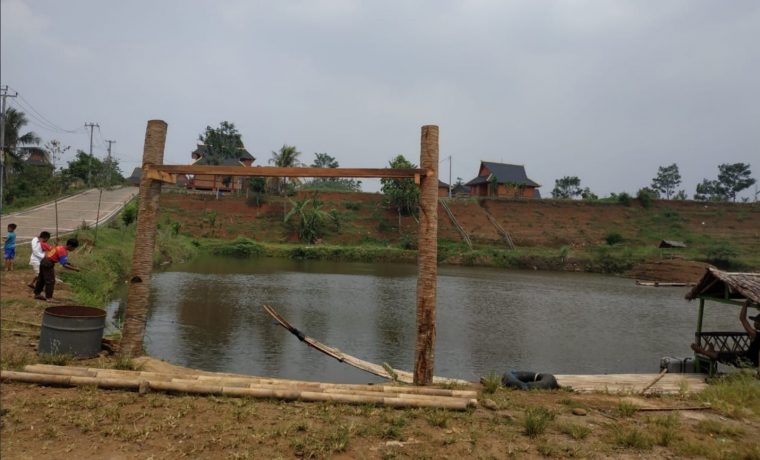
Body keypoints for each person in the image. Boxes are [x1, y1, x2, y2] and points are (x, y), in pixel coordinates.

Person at [692, 300, 759, 368]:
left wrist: (745, 305)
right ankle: (710, 352)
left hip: (747, 361)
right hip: (753, 360)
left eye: (756, 321)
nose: (754, 322)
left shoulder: (754, 334)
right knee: (731, 354)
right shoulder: (755, 334)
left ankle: (702, 351)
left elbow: (742, 318)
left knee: (724, 357)